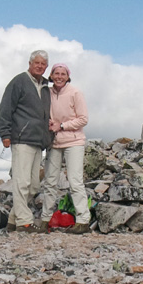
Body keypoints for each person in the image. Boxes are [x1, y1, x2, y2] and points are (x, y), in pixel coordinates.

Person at [0, 50, 53, 232]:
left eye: (43, 64)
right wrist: (5, 134)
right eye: (36, 63)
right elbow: (6, 107)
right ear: (30, 63)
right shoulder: (19, 81)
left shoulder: (45, 87)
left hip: (38, 141)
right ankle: (24, 222)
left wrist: (47, 138)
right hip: (21, 138)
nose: (40, 66)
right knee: (22, 182)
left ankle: (13, 219)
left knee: (34, 184)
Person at [40, 63, 91, 234]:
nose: (59, 76)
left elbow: (83, 119)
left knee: (75, 181)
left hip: (74, 142)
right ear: (51, 76)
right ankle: (45, 219)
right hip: (54, 142)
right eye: (56, 73)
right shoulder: (46, 92)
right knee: (50, 181)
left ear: (68, 76)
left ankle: (83, 220)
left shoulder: (75, 92)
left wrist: (61, 125)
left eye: (63, 74)